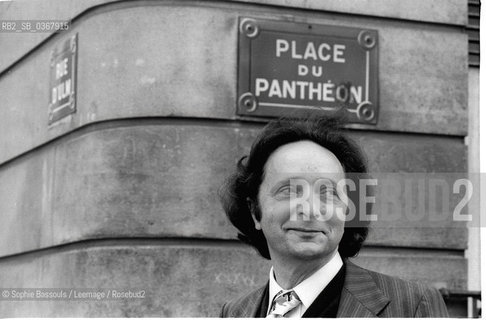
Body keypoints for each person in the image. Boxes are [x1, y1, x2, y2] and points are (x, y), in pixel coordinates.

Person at [219, 115, 449, 318]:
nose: (310, 209)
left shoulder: (413, 306)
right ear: (254, 211)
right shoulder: (234, 313)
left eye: (328, 192)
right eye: (289, 191)